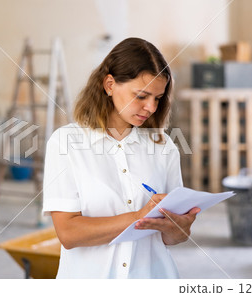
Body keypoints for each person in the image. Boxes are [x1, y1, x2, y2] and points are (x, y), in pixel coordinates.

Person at [42, 37, 200, 279]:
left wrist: (180, 227)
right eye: (141, 96)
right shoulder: (66, 143)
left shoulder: (163, 147)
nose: (151, 107)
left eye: (157, 98)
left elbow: (172, 238)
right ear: (109, 85)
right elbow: (69, 233)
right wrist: (139, 217)